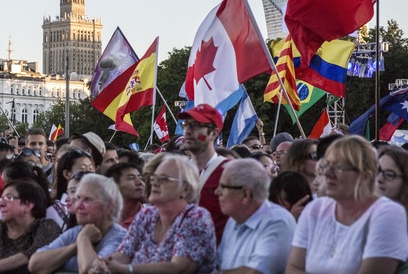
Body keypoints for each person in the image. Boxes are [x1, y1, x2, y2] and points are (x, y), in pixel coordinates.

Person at [286, 136, 408, 274]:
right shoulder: (315, 209)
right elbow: (293, 268)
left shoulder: (387, 214)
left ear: (365, 176)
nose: (327, 173)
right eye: (326, 165)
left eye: (339, 167)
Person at [90, 154, 216, 274]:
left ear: (185, 189)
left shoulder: (196, 217)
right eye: (154, 178)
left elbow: (179, 268)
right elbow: (124, 254)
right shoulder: (147, 214)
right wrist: (104, 264)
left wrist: (126, 270)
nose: (154, 183)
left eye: (163, 179)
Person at [30, 174, 126, 274]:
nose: (78, 206)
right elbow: (35, 264)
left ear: (108, 207)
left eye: (87, 199)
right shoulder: (77, 231)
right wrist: (76, 246)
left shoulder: (120, 238)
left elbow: (90, 270)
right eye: (78, 198)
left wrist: (84, 239)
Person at [216, 159, 296, 273]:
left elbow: (255, 272)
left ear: (245, 194)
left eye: (223, 187)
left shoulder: (277, 222)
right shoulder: (234, 220)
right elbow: (219, 265)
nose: (217, 192)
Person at [177, 103, 230, 243]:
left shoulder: (229, 171)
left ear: (213, 133)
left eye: (195, 126)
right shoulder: (177, 171)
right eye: (186, 125)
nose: (187, 131)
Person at [48, 147, 95, 229]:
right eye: (82, 169)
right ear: (66, 174)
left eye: (90, 169)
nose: (88, 173)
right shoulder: (54, 211)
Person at [105, 162, 145, 229]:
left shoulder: (150, 218)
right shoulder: (102, 218)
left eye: (140, 178)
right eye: (131, 178)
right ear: (114, 185)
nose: (139, 182)